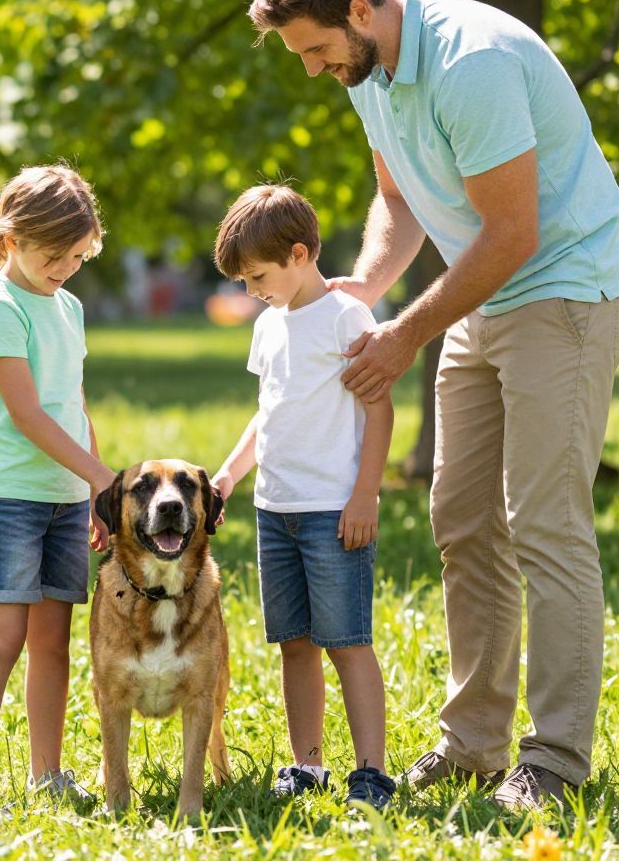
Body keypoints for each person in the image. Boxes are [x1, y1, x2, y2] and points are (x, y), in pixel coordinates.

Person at [249, 0, 619, 810]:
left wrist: (406, 334)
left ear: (360, 11)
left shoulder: (473, 63)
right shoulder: (371, 74)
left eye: (314, 50)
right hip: (486, 293)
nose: (313, 70)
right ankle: (472, 747)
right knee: (462, 518)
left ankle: (555, 761)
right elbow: (399, 196)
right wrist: (369, 285)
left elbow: (515, 235)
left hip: (566, 289)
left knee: (544, 520)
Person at [211, 185, 396, 810]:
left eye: (258, 276)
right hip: (276, 511)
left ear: (298, 254)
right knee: (295, 642)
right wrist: (231, 475)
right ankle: (306, 765)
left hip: (332, 511)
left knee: (347, 642)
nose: (252, 290)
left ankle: (370, 771)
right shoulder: (268, 326)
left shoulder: (346, 318)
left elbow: (379, 410)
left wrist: (364, 495)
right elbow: (268, 414)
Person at [0, 163, 114, 816]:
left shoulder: (68, 305)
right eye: (53, 255)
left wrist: (94, 483)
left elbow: (72, 404)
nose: (65, 268)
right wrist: (101, 476)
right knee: (4, 638)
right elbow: (28, 415)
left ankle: (47, 772)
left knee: (54, 641)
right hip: (11, 498)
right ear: (10, 239)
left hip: (68, 499)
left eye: (77, 257)